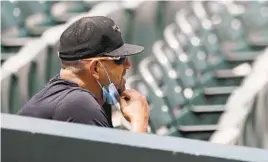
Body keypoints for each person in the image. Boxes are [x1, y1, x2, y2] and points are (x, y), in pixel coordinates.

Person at [18, 16, 150, 133]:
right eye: (120, 59)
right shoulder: (77, 105)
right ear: (96, 68)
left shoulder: (84, 98)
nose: (128, 65)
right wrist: (140, 122)